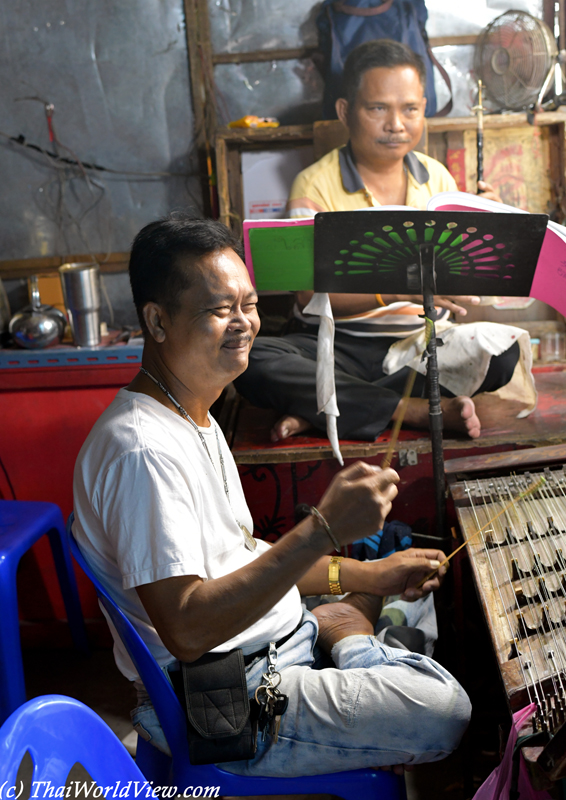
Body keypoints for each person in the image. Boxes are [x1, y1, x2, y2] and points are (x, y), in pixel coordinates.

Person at [73, 215, 470, 777]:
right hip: (228, 699)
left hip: (278, 642)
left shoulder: (195, 419)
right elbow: (186, 631)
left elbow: (246, 558)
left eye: (250, 305)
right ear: (157, 320)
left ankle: (345, 622)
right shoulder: (143, 450)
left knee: (407, 587)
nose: (244, 325)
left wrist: (367, 576)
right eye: (219, 310)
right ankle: (351, 636)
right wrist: (323, 529)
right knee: (446, 708)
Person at [234, 39, 535, 444]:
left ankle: (327, 407)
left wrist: (491, 232)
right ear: (345, 111)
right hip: (340, 345)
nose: (396, 123)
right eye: (378, 108)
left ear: (423, 109)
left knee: (502, 353)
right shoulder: (313, 186)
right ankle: (406, 410)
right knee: (255, 358)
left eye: (410, 109)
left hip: (422, 346)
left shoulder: (439, 180)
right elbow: (308, 298)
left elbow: (463, 292)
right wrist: (395, 289)